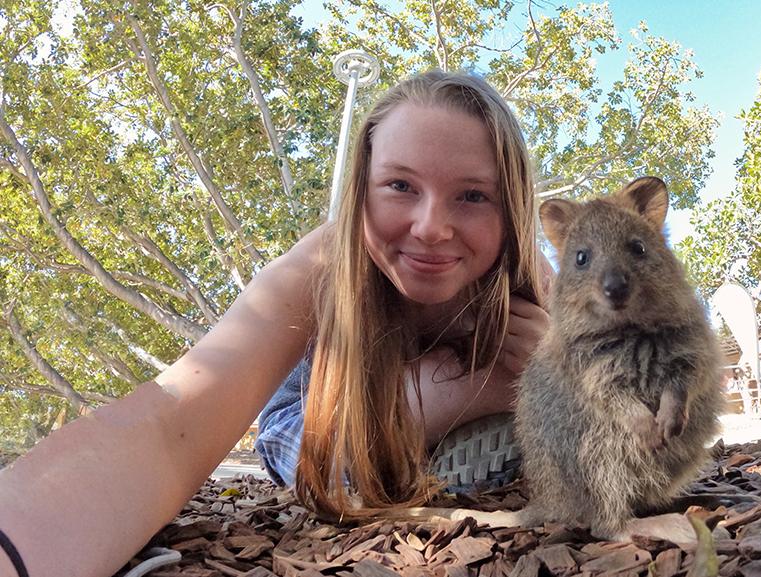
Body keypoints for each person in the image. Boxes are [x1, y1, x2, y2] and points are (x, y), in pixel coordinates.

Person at [0, 70, 552, 577]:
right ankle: (474, 400)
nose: (432, 228)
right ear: (361, 190)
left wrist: (558, 366)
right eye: (400, 186)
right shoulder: (322, 263)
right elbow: (173, 423)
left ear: (513, 210)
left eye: (473, 196)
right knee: (337, 474)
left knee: (563, 383)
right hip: (318, 416)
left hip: (438, 422)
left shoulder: (536, 277)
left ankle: (455, 436)